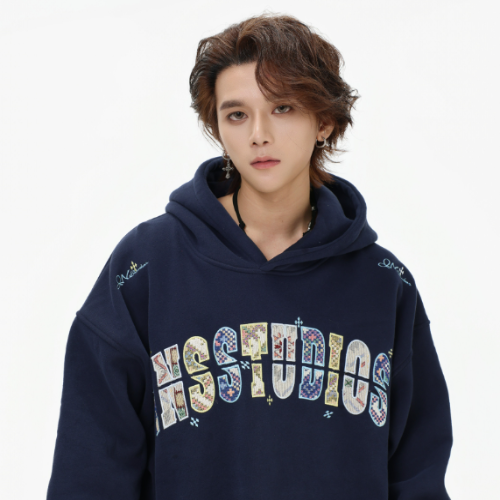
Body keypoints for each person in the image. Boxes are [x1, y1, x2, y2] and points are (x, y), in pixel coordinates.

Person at [46, 12, 453, 500]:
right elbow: (91, 467)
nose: (258, 133)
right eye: (236, 114)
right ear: (218, 128)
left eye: (282, 108)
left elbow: (417, 473)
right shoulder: (146, 267)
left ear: (324, 121)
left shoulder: (384, 284)